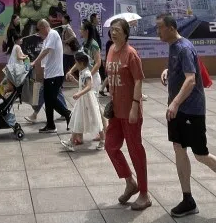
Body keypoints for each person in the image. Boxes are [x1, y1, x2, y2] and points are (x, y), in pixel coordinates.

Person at [157, 14, 216, 218]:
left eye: (160, 28)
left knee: (200, 154)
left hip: (191, 110)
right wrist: (167, 71)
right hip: (178, 110)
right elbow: (181, 70)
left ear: (171, 28)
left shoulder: (184, 47)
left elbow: (190, 80)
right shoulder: (173, 46)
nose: (157, 32)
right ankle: (188, 199)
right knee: (179, 148)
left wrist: (175, 103)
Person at [104, 18, 151, 211]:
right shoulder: (111, 50)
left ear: (125, 33)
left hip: (130, 110)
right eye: (112, 30)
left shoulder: (131, 54)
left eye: (117, 30)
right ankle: (130, 182)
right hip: (116, 110)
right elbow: (111, 72)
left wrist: (134, 105)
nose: (113, 33)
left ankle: (144, 193)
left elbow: (138, 80)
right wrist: (105, 84)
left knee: (135, 151)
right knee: (110, 146)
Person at [67, 19, 107, 149]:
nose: (80, 31)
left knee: (95, 107)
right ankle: (79, 136)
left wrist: (88, 73)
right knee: (86, 107)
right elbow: (79, 60)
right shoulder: (84, 44)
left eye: (82, 29)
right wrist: (71, 71)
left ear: (87, 31)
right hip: (86, 76)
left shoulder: (94, 44)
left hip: (93, 79)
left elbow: (98, 62)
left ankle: (104, 133)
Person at [31, 19, 71, 133]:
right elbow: (43, 52)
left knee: (52, 100)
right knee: (48, 100)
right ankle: (50, 125)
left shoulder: (53, 34)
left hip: (56, 74)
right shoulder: (47, 38)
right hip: (49, 74)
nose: (38, 33)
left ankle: (68, 114)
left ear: (44, 27)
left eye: (39, 30)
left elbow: (46, 51)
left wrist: (35, 62)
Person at [62, 52, 102, 151]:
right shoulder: (82, 72)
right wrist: (74, 79)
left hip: (88, 100)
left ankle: (103, 140)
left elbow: (89, 86)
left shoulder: (87, 73)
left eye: (76, 62)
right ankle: (71, 141)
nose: (75, 64)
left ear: (82, 63)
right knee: (77, 118)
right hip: (82, 100)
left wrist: (79, 94)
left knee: (95, 119)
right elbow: (81, 85)